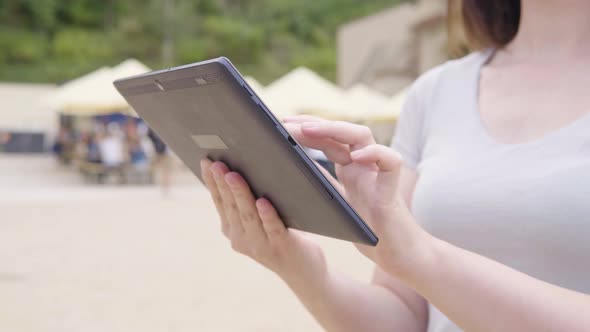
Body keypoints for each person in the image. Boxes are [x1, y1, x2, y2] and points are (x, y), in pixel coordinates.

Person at [200, 1, 590, 331]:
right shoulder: (436, 91)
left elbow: (417, 258)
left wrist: (421, 255)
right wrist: (298, 264)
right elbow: (402, 317)